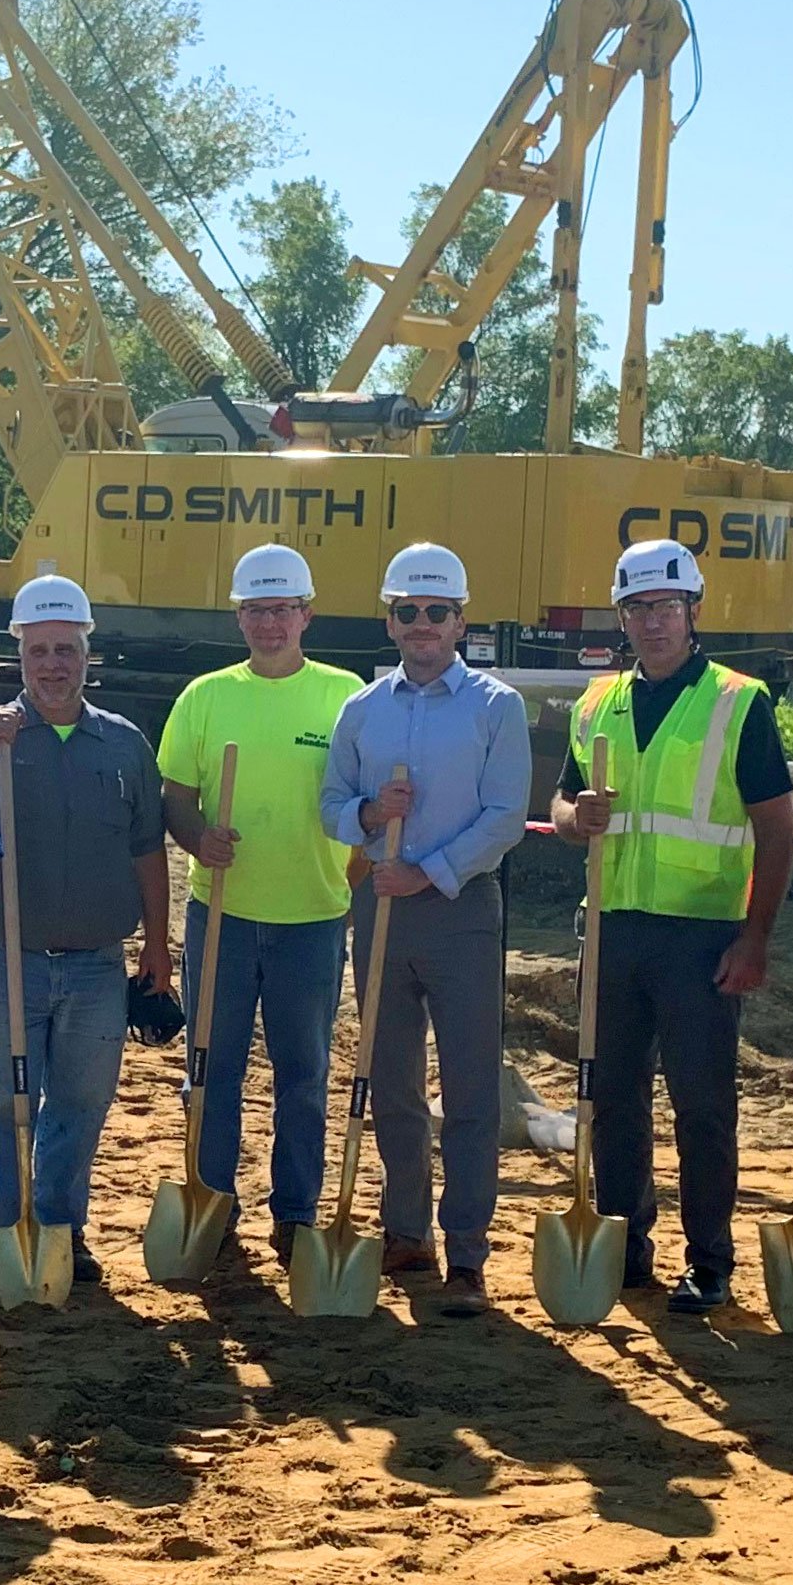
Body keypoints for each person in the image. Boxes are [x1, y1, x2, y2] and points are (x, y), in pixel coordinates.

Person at [550, 539, 793, 1315]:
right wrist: (572, 818)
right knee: (612, 1098)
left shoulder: (737, 700)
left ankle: (709, 1260)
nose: (652, 622)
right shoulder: (597, 704)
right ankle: (626, 1246)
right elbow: (562, 806)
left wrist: (754, 937)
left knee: (702, 1104)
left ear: (693, 610)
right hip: (616, 929)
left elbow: (778, 831)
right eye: (637, 608)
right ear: (621, 616)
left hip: (702, 935)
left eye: (665, 607)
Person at [319, 543, 530, 1317]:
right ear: (390, 620)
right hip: (380, 906)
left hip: (460, 910)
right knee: (391, 1080)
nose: (421, 625)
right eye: (407, 612)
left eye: (435, 612)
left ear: (460, 620)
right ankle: (407, 1230)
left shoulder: (496, 707)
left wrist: (431, 870)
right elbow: (332, 801)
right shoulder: (362, 710)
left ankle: (467, 1251)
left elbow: (506, 816)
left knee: (471, 1085)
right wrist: (370, 818)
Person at [0, 573, 172, 1286]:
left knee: (81, 1101)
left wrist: (159, 949)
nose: (52, 664)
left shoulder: (123, 745)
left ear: (88, 655)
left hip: (95, 964)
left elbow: (148, 849)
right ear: (18, 655)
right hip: (5, 955)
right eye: (39, 650)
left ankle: (58, 1225)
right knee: (1, 1102)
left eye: (66, 651)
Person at [156, 545, 366, 1265]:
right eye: (255, 611)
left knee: (303, 1073)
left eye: (281, 610)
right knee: (212, 1067)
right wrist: (196, 840)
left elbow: (365, 809)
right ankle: (213, 1198)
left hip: (311, 919)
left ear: (307, 614)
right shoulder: (205, 697)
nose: (269, 623)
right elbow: (176, 797)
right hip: (223, 914)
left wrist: (346, 881)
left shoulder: (346, 696)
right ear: (238, 617)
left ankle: (295, 1212)